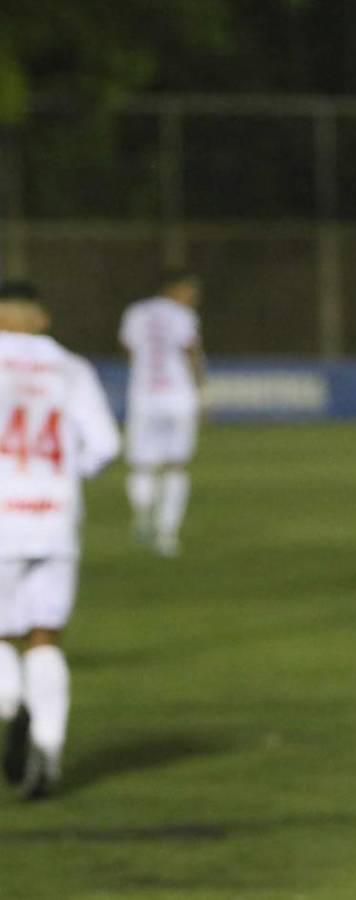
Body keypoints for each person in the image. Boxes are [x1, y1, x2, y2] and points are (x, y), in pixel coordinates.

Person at [0, 286, 120, 799]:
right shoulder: (69, 367)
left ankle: (10, 704)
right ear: (43, 317)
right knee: (45, 635)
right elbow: (107, 446)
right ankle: (48, 745)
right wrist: (65, 474)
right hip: (54, 515)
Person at [119, 270, 204, 557]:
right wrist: (201, 390)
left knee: (142, 465)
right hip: (178, 396)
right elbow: (191, 350)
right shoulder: (182, 315)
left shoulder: (136, 312)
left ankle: (142, 512)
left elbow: (130, 350)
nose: (194, 298)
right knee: (176, 465)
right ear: (176, 289)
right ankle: (166, 535)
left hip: (144, 395)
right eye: (190, 291)